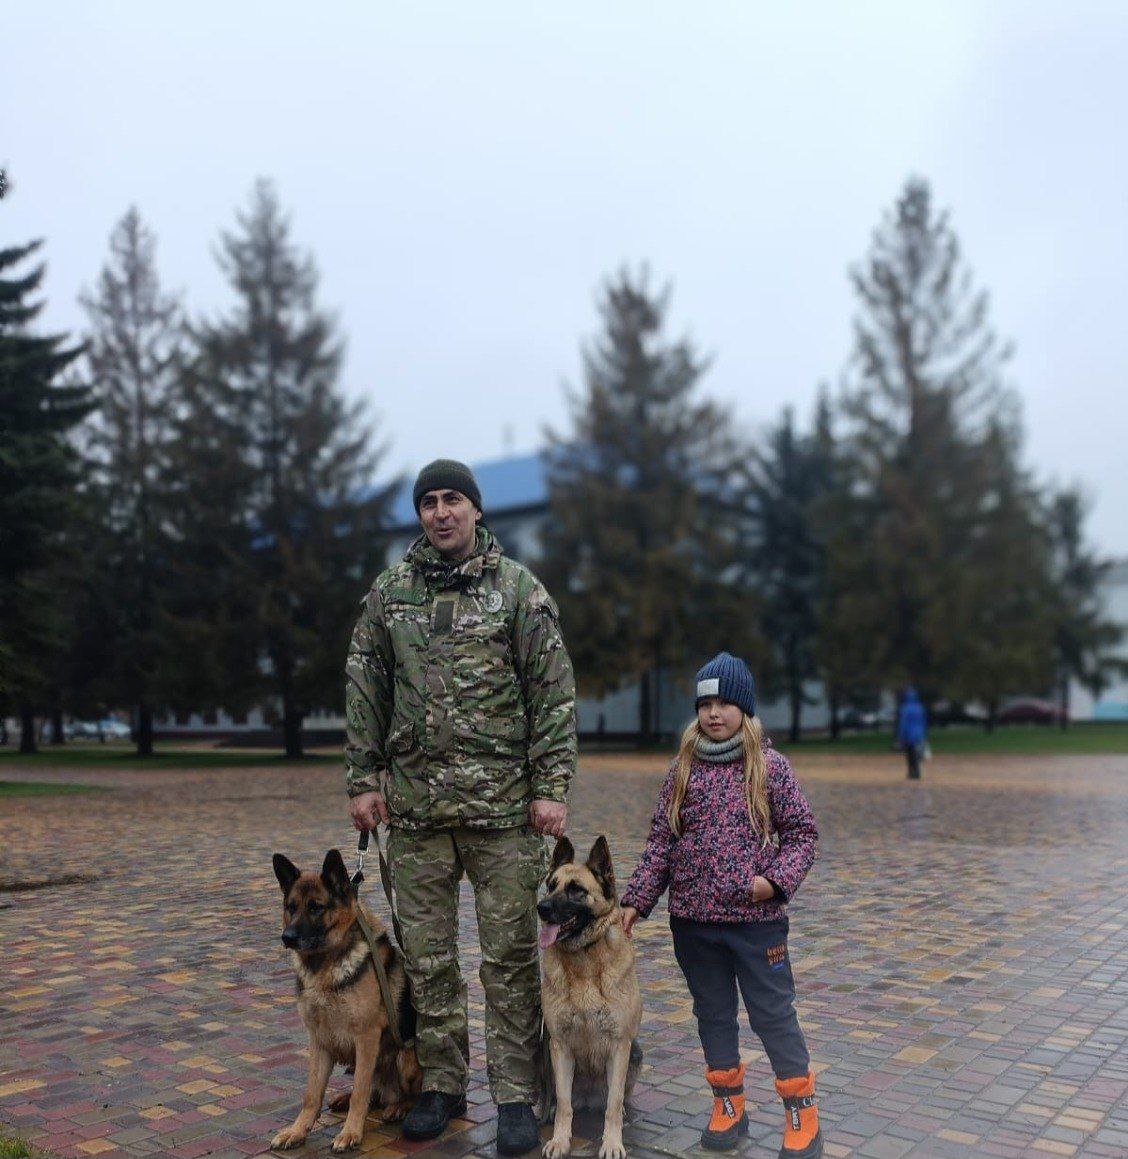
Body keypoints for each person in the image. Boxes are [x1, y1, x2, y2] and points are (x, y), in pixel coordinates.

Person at [344, 458, 576, 1155]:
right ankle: (441, 1084)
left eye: (453, 500)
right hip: (414, 814)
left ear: (477, 510)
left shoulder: (518, 592)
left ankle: (513, 1092)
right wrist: (363, 777)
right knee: (426, 958)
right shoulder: (390, 594)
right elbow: (364, 686)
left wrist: (551, 787)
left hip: (505, 814)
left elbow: (552, 690)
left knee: (508, 958)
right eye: (429, 502)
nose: (440, 512)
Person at [619, 652, 822, 1158]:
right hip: (693, 924)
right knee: (712, 1014)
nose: (714, 713)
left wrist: (774, 882)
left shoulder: (769, 766)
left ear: (745, 708)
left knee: (772, 1015)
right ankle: (728, 1103)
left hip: (757, 925)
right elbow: (661, 843)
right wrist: (636, 901)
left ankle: (801, 1111)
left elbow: (802, 834)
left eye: (725, 702)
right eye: (705, 703)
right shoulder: (681, 769)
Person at [897, 687, 927, 780]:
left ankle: (911, 771)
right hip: (919, 733)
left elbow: (903, 723)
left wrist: (901, 736)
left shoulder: (905, 708)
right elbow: (924, 721)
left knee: (910, 754)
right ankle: (917, 771)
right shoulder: (920, 708)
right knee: (917, 753)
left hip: (909, 734)